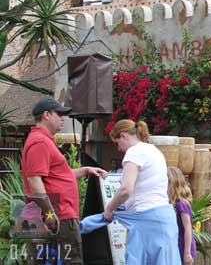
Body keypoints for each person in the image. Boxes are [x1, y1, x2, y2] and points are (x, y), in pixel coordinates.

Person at [21, 98, 107, 264]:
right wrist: (49, 214)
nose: (63, 118)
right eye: (59, 114)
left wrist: (85, 170)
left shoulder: (43, 140)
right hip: (56, 215)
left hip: (54, 214)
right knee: (69, 261)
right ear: (46, 115)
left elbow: (56, 176)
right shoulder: (40, 141)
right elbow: (34, 180)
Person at [102, 119, 181, 264]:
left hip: (147, 220)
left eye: (117, 143)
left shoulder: (134, 152)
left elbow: (125, 189)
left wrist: (109, 209)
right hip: (165, 217)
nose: (119, 149)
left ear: (124, 135)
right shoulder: (154, 150)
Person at [168, 166, 196, 265]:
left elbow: (188, 228)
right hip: (175, 246)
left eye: (168, 182)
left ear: (175, 183)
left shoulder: (181, 204)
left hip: (183, 247)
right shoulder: (171, 203)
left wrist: (187, 253)